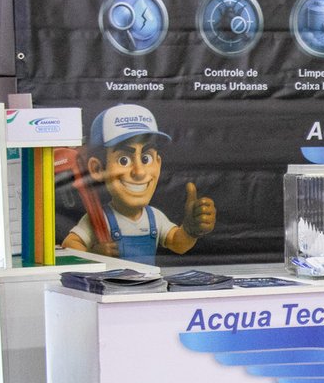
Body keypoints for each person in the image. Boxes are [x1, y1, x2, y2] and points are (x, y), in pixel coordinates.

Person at [61, 103, 216, 264]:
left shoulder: (155, 218)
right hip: (112, 280)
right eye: (124, 160)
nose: (140, 172)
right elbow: (69, 245)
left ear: (158, 163)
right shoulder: (99, 219)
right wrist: (93, 254)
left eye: (146, 158)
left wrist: (190, 231)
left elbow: (178, 245)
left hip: (148, 281)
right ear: (97, 169)